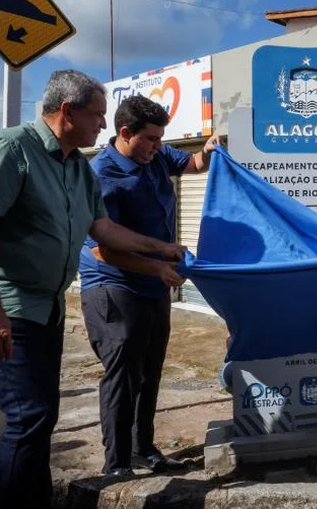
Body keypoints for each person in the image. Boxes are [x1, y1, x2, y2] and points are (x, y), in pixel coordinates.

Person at [0, 70, 185, 507]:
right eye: (98, 115)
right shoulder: (14, 150)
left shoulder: (76, 169)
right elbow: (104, 251)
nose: (102, 125)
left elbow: (104, 230)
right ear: (67, 111)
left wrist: (163, 249)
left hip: (48, 307)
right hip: (14, 307)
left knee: (42, 419)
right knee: (26, 420)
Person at [78, 95, 220, 477]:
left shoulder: (154, 154)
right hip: (113, 285)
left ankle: (144, 448)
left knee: (150, 370)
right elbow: (103, 252)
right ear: (125, 133)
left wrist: (207, 150)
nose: (159, 147)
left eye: (161, 139)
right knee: (124, 373)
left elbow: (192, 163)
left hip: (155, 285)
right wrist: (157, 267)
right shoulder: (102, 176)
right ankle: (118, 463)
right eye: (152, 139)